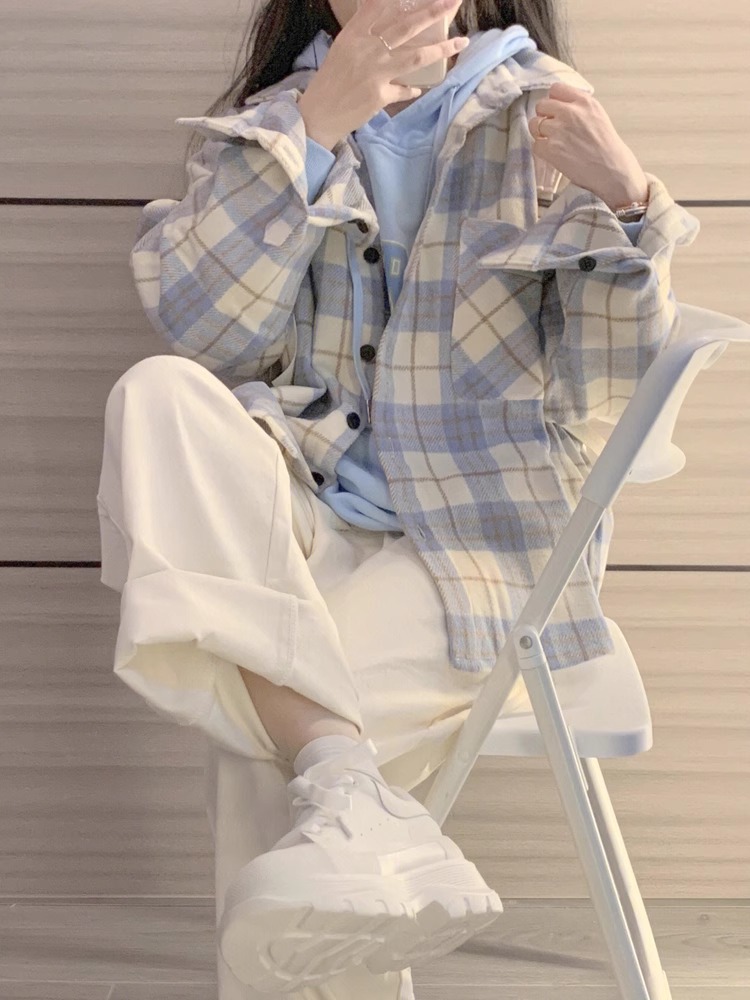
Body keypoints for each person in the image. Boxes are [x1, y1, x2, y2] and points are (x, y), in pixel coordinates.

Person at [96, 0, 700, 997]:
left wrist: (630, 204)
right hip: (294, 518)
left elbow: (611, 385)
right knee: (157, 395)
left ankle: (338, 777)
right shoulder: (275, 121)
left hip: (472, 546)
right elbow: (203, 333)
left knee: (266, 734)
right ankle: (352, 790)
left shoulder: (544, 115)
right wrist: (311, 131)